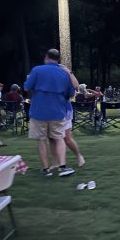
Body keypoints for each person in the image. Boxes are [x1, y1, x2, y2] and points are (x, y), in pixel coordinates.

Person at [24, 49, 76, 178]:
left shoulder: (37, 70)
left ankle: (45, 169)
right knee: (59, 138)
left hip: (38, 111)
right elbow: (71, 93)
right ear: (58, 59)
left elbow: (26, 87)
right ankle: (62, 167)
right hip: (57, 111)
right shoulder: (64, 73)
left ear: (46, 57)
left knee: (41, 140)